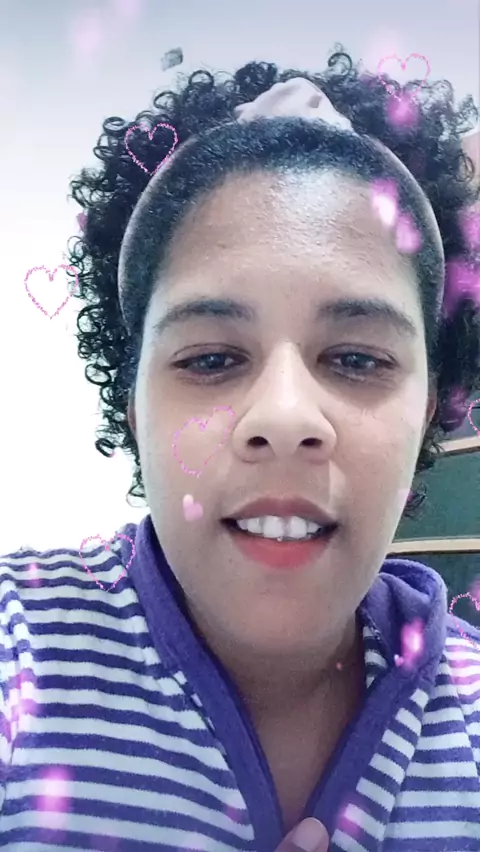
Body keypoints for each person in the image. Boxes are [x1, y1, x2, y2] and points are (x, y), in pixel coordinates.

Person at [1, 48, 480, 852]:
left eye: (356, 359)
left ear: (428, 410)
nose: (286, 417)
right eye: (211, 359)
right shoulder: (20, 650)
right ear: (134, 406)